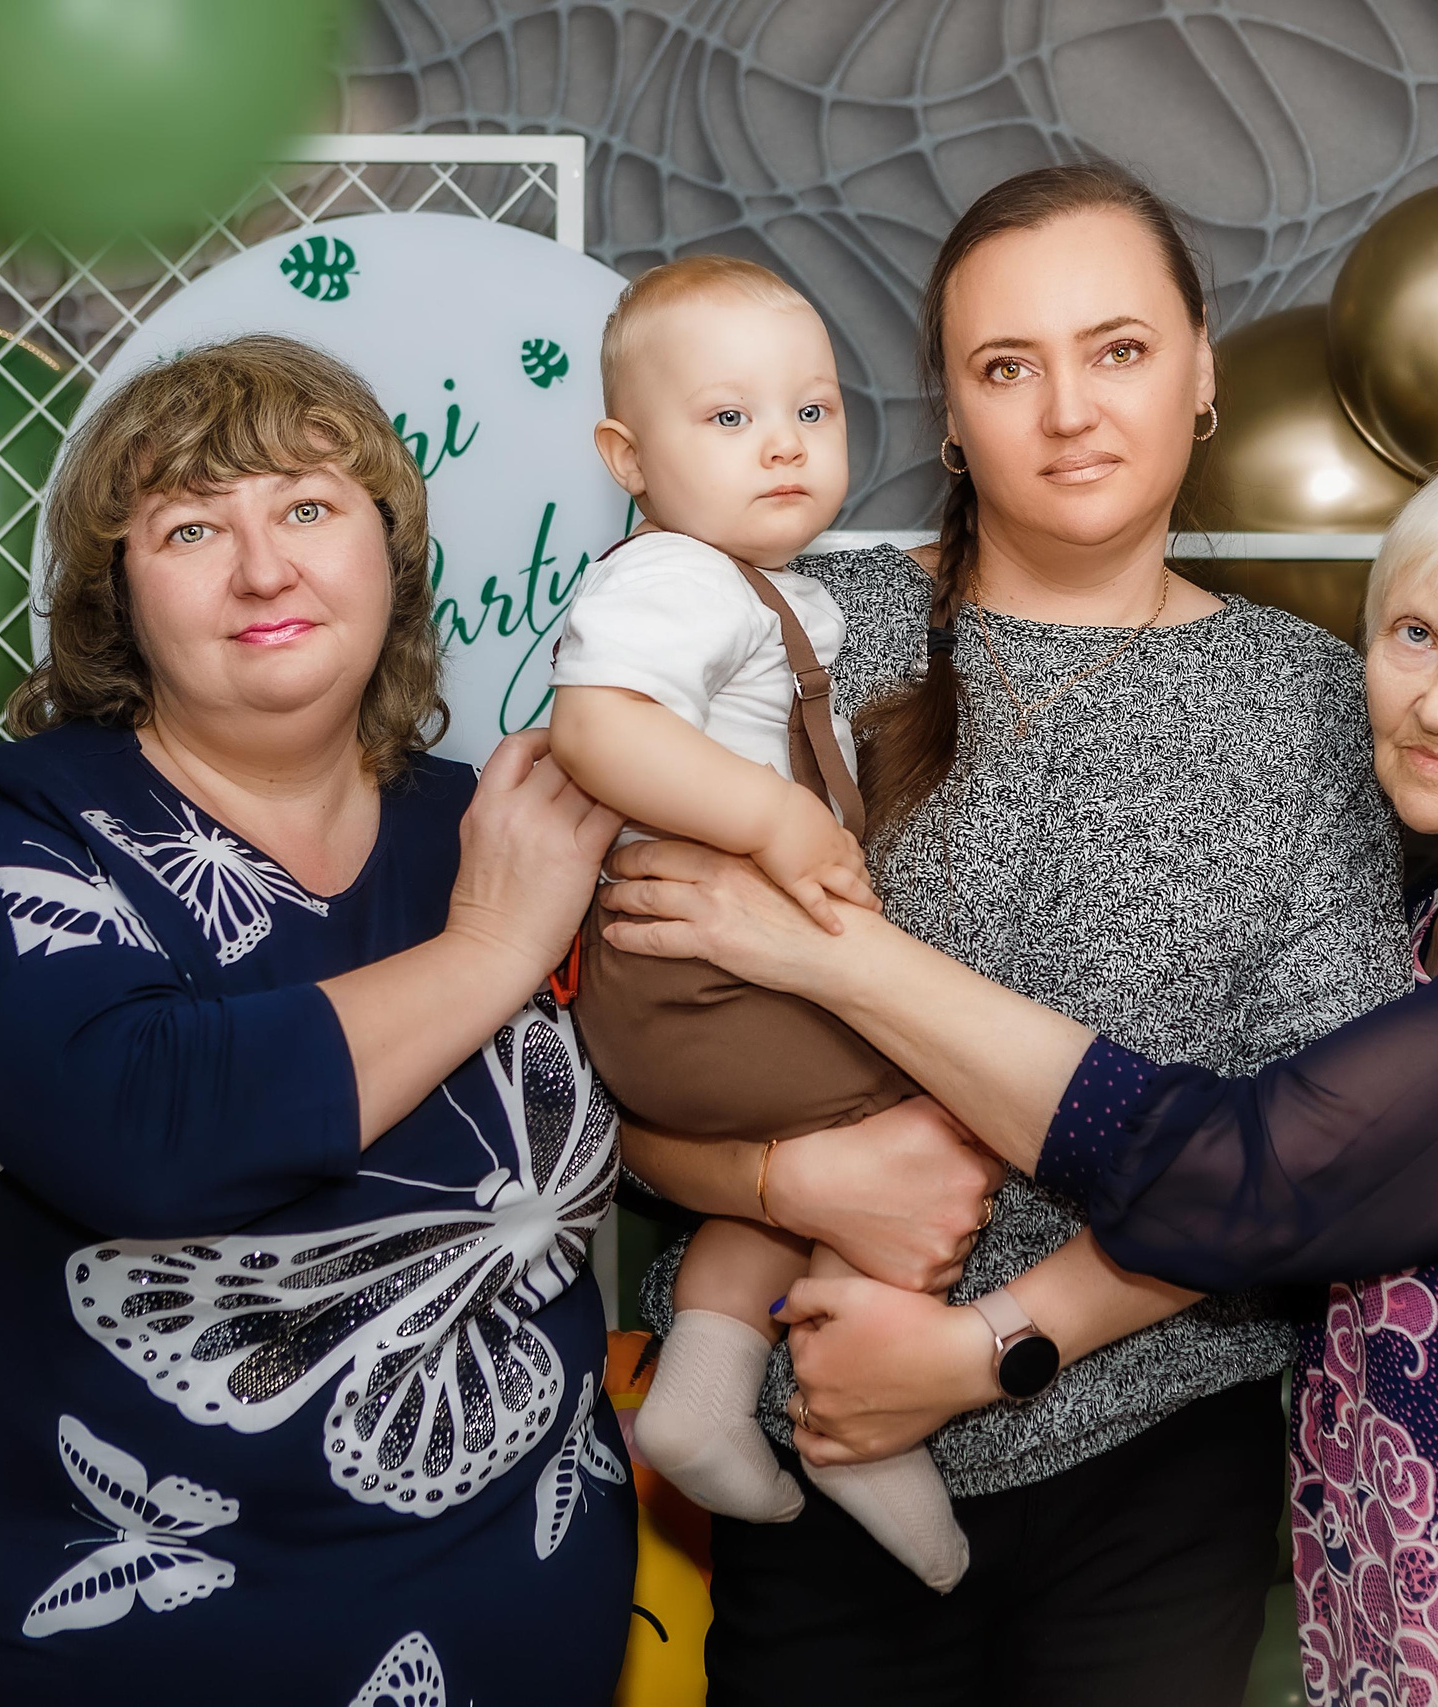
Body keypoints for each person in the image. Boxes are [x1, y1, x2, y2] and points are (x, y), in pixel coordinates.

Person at [602, 431, 1438, 1705]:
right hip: (1436, 1616)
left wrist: (837, 956)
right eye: (1415, 636)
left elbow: (1241, 1183)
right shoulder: (1432, 935)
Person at [616, 160, 1409, 1704]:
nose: (1068, 411)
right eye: (1007, 367)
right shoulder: (792, 628)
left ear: (1202, 379)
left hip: (1155, 1443)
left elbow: (1316, 1151)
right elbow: (622, 1039)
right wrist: (785, 1177)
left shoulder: (1310, 707)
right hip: (809, 1421)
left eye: (1117, 350)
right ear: (950, 415)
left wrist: (995, 1342)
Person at [0, 336, 637, 1705]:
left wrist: (787, 1174)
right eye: (194, 526)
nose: (264, 568)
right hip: (95, 1644)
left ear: (390, 554)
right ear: (118, 598)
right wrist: (495, 946)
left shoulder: (498, 820)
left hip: (513, 1630)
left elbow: (664, 1091)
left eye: (311, 509)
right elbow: (146, 1127)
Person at [547, 254, 964, 1590]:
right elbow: (597, 726)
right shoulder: (671, 578)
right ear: (628, 454)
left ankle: (706, 1386)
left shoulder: (762, 589)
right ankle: (854, 1422)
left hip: (699, 992)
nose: (780, 446)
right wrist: (781, 824)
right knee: (935, 1095)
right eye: (727, 419)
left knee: (806, 1145)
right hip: (699, 976)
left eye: (812, 411)